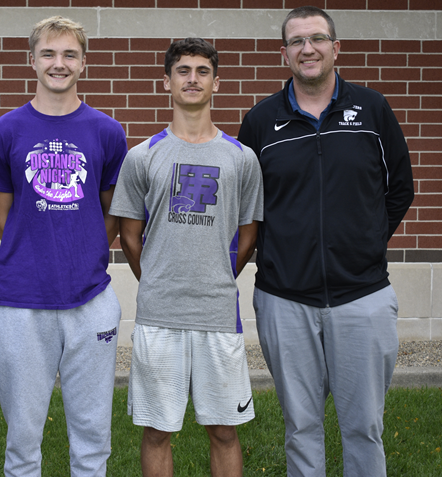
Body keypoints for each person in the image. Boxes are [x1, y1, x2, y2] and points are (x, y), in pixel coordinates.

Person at [237, 6, 414, 476]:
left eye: (317, 39)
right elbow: (246, 206)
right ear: (284, 54)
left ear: (336, 48)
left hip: (363, 297)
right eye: (297, 41)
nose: (307, 49)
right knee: (301, 427)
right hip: (284, 299)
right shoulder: (260, 122)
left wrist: (366, 243)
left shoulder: (373, 109)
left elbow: (401, 188)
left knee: (364, 427)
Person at [0, 16, 127, 477]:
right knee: (22, 438)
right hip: (22, 301)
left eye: (69, 54)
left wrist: (82, 253)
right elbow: (4, 212)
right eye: (48, 53)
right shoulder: (6, 130)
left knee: (92, 434)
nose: (58, 63)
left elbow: (112, 212)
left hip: (91, 300)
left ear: (83, 62)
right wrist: (36, 250)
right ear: (32, 60)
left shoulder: (106, 131)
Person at [110, 38, 263, 477]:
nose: (192, 78)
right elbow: (129, 234)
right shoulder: (143, 156)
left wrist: (217, 273)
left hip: (217, 313)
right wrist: (158, 277)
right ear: (166, 82)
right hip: (159, 313)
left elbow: (249, 232)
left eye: (201, 71)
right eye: (183, 70)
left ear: (217, 82)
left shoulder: (241, 159)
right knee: (158, 430)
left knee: (224, 429)